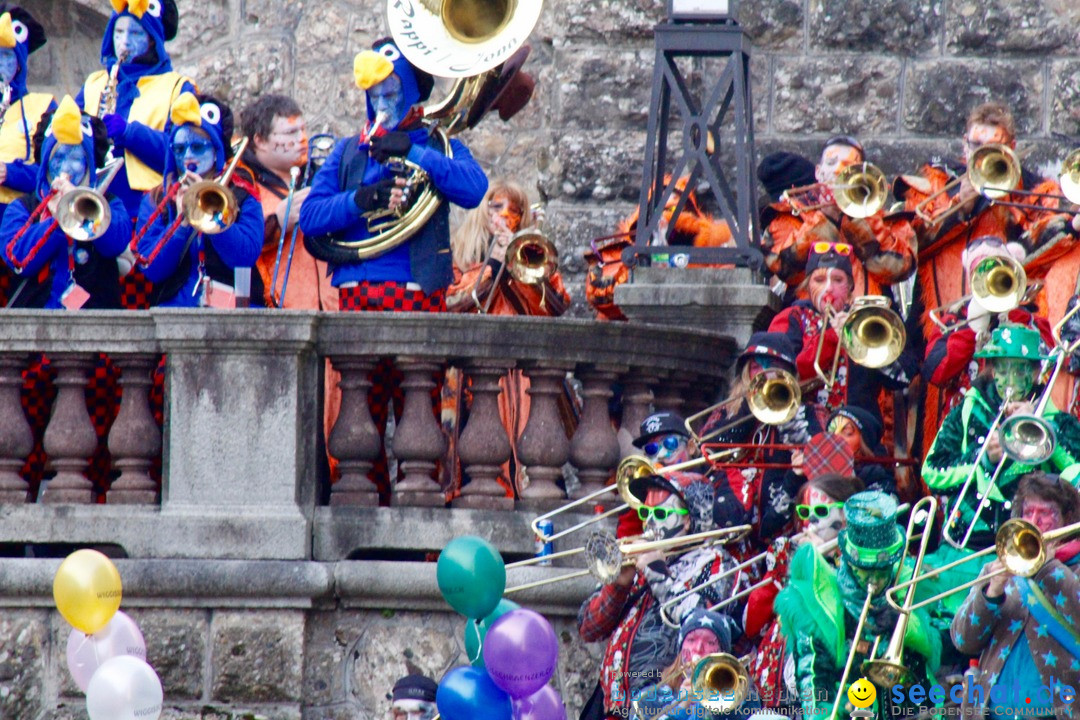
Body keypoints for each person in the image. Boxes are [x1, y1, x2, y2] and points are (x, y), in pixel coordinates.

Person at [298, 38, 487, 499]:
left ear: (410, 94)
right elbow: (311, 218)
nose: (381, 106)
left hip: (418, 294)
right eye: (375, 97)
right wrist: (363, 198)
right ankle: (364, 513)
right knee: (360, 413)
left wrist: (414, 153)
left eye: (391, 95)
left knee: (417, 412)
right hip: (358, 294)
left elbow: (474, 189)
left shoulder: (439, 143)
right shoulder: (347, 152)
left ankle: (418, 515)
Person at [896, 102, 1074, 450]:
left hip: (1014, 316)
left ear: (1011, 148)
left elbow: (1051, 234)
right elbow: (910, 244)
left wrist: (1010, 210)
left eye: (994, 149)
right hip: (951, 320)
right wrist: (961, 203)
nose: (982, 157)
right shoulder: (938, 188)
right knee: (937, 432)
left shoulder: (1033, 190)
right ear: (964, 146)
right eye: (976, 148)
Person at [923, 326, 1080, 617]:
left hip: (1029, 552)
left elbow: (1077, 479)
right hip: (968, 545)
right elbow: (931, 471)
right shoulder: (967, 410)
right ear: (991, 370)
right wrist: (982, 458)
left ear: (1035, 374)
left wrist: (1045, 430)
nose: (1009, 381)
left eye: (1019, 371)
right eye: (1002, 370)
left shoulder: (1057, 419)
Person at [577, 472, 743, 720]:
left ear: (689, 521)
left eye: (662, 514)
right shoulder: (640, 562)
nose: (650, 523)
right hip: (609, 706)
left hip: (666, 705)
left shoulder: (717, 563)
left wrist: (656, 571)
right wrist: (617, 586)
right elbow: (588, 628)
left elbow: (696, 622)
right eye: (646, 513)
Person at [775, 491, 941, 720]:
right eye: (864, 568)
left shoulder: (910, 585)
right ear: (849, 562)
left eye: (881, 569)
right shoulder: (820, 605)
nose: (874, 578)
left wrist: (908, 625)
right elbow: (813, 684)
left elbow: (953, 642)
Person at [951, 472, 1080, 719]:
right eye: (1028, 512)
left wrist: (1048, 569)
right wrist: (991, 592)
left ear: (1068, 519)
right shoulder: (999, 567)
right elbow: (962, 639)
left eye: (1046, 513)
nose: (1034, 521)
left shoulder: (1074, 570)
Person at [744, 474, 863, 710]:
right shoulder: (793, 554)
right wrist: (776, 577)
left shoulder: (856, 562)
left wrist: (818, 566)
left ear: (846, 516)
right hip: (767, 692)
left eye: (820, 512)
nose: (810, 524)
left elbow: (840, 618)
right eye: (805, 514)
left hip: (821, 691)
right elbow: (750, 624)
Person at [133, 93, 261, 307]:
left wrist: (212, 216)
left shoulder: (242, 193)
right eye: (180, 149)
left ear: (216, 151)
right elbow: (151, 269)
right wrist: (181, 223)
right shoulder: (157, 199)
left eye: (198, 147)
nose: (188, 156)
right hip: (175, 311)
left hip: (229, 313)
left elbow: (244, 258)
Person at [1, 95, 128, 309]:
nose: (66, 168)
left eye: (76, 158)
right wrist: (57, 221)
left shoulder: (109, 203)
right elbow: (18, 258)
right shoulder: (21, 208)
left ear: (88, 164)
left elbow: (115, 244)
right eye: (58, 158)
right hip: (34, 323)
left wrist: (79, 209)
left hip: (98, 323)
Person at [698, 332, 827, 543]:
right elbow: (709, 452)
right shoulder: (728, 411)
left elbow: (820, 459)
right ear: (746, 373)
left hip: (786, 527)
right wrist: (751, 406)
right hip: (734, 527)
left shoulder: (809, 411)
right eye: (756, 367)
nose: (764, 373)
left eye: (771, 366)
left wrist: (785, 407)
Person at [769, 242, 915, 425]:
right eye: (819, 280)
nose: (829, 288)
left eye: (838, 280)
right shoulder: (792, 318)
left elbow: (903, 377)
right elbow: (782, 376)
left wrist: (863, 341)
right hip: (805, 429)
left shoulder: (867, 319)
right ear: (807, 286)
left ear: (850, 288)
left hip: (859, 430)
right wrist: (831, 339)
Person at [921, 233, 1050, 434]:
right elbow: (936, 372)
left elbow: (1048, 367)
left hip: (1020, 417)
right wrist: (971, 328)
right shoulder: (954, 320)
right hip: (964, 422)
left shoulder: (1029, 319)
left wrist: (1011, 317)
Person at [762, 136, 916, 300]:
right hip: (811, 317)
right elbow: (783, 268)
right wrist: (824, 219)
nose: (838, 171)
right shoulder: (789, 214)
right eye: (831, 163)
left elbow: (899, 269)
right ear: (818, 172)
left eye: (848, 166)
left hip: (869, 315)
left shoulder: (882, 220)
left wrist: (857, 220)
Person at [240, 94, 336, 310]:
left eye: (303, 129)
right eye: (291, 132)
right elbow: (237, 246)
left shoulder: (323, 177)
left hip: (334, 311)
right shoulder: (243, 185)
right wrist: (277, 222)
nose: (302, 139)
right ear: (260, 141)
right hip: (277, 313)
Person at [447, 180, 570, 315]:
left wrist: (523, 266)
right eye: (497, 206)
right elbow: (451, 304)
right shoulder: (456, 251)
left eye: (514, 210)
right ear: (482, 210)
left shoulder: (528, 250)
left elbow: (558, 306)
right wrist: (492, 266)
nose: (504, 214)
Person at [0, 5, 55, 219]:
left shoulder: (44, 107)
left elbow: (54, 172)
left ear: (20, 64)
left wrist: (10, 173)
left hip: (18, 217)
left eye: (5, 56)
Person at [824, 406, 896, 496]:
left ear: (864, 442)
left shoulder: (880, 480)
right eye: (831, 432)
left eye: (847, 433)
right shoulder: (818, 473)